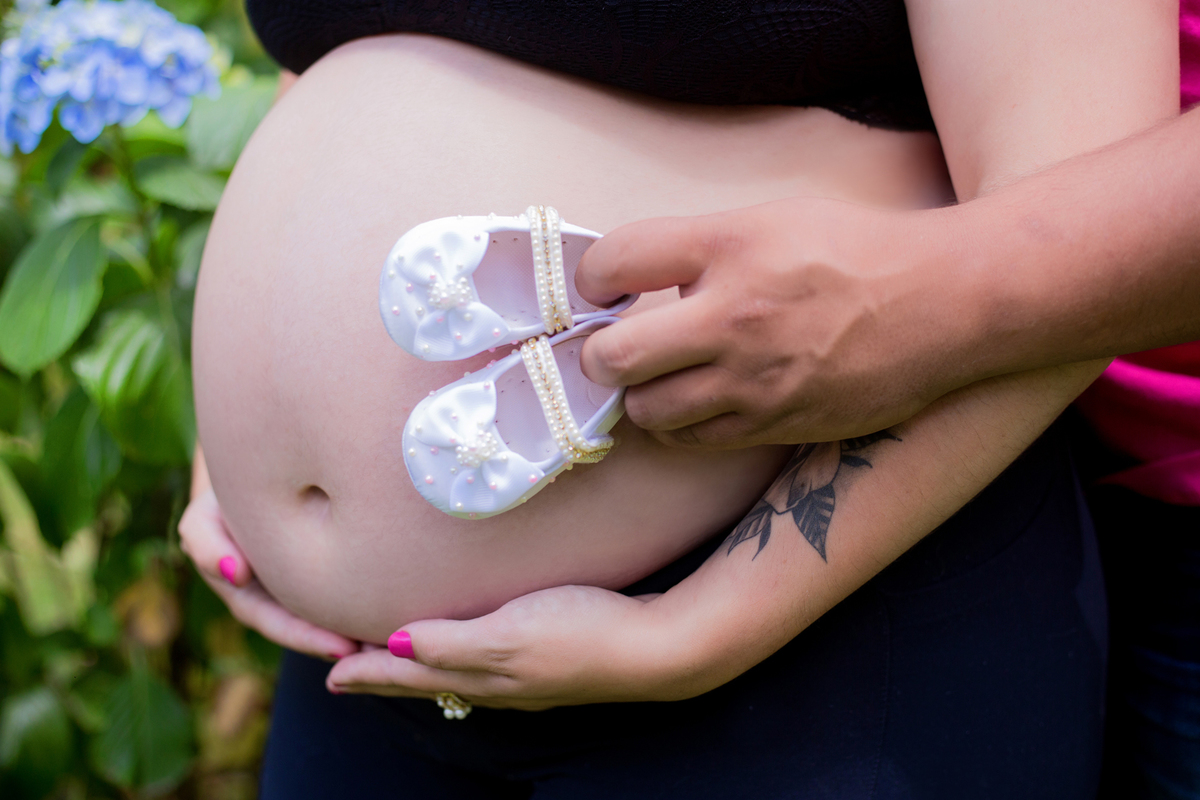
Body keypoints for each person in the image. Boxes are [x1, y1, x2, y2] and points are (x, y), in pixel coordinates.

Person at [179, 0, 1177, 796]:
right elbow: (341, 46)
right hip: (369, 684)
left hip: (801, 655)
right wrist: (237, 440)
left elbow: (1079, 251)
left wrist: (704, 626)